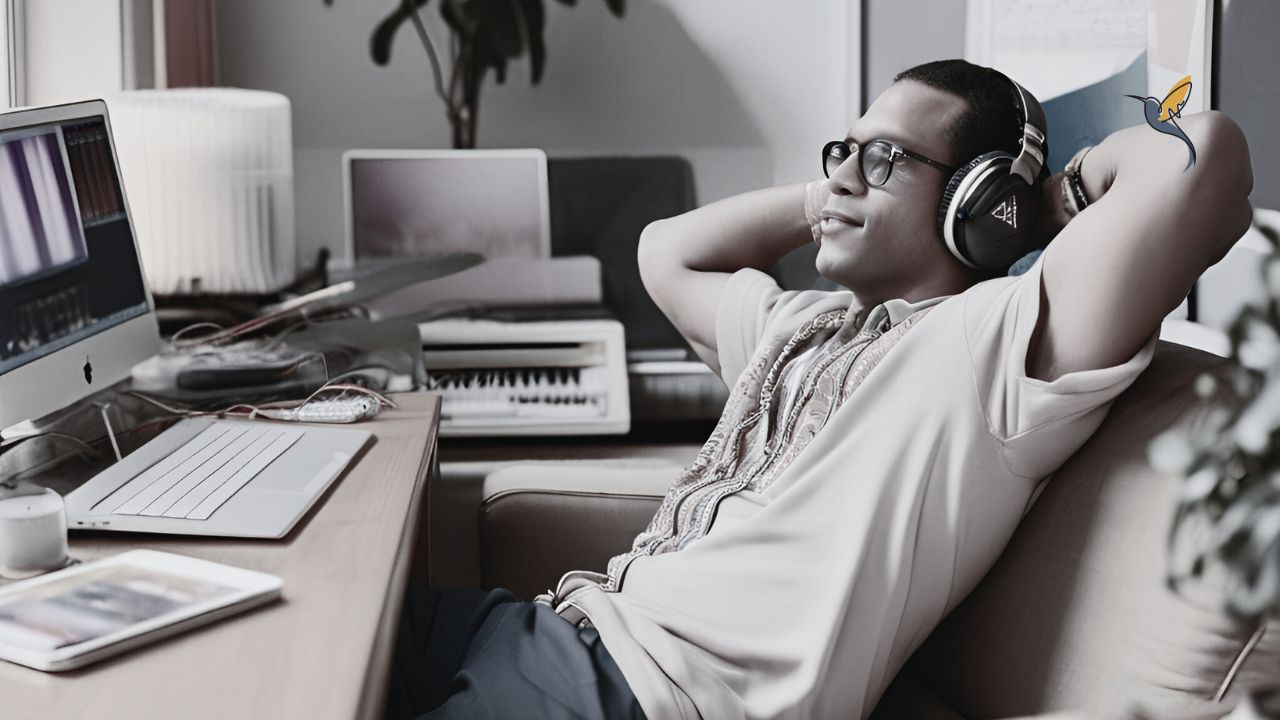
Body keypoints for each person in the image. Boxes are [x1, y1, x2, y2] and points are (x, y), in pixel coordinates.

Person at [385, 59, 1254, 720]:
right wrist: (834, 194)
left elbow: (1205, 162)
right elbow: (666, 251)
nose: (842, 171)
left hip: (636, 694)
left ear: (976, 206)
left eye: (883, 158)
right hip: (554, 626)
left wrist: (1050, 197)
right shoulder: (803, 324)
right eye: (842, 149)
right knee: (301, 635)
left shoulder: (988, 349)